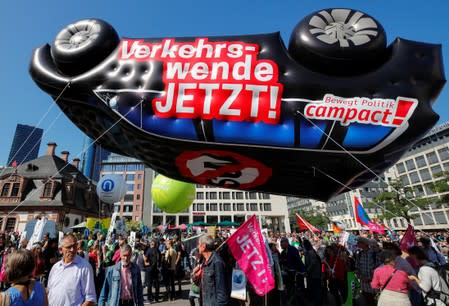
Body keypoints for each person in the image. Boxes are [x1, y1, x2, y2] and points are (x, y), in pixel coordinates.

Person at [47, 233, 97, 306]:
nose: (72, 250)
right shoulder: (56, 267)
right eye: (69, 247)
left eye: (74, 246)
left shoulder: (85, 267)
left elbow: (90, 298)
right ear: (61, 250)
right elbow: (49, 291)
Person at [197, 235, 228, 306]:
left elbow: (221, 290)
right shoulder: (205, 261)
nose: (198, 246)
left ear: (203, 246)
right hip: (206, 302)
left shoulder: (217, 262)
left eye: (199, 244)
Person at [355, 237, 381, 306]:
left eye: (359, 242)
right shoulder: (359, 254)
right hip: (364, 286)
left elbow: (379, 269)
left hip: (374, 286)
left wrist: (370, 278)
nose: (357, 244)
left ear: (364, 244)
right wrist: (360, 276)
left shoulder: (375, 254)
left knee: (375, 303)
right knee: (367, 302)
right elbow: (357, 268)